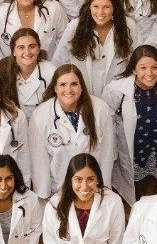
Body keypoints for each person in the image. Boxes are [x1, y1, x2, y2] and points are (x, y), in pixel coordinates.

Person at [101, 44, 157, 202]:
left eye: (155, 67)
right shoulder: (116, 89)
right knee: (132, 196)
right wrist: (111, 155)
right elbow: (108, 126)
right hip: (130, 154)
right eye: (143, 68)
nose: (149, 73)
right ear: (133, 70)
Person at [29, 64, 116, 199]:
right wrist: (44, 196)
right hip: (59, 190)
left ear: (81, 87)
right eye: (63, 84)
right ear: (55, 88)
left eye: (74, 84)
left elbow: (107, 154)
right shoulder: (40, 116)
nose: (68, 89)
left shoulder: (100, 109)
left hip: (92, 189)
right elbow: (39, 162)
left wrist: (104, 190)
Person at [54, 0, 138, 91]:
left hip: (117, 92)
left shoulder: (128, 26)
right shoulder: (75, 27)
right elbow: (59, 62)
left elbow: (137, 60)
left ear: (114, 8)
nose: (100, 12)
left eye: (106, 7)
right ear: (89, 8)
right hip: (83, 93)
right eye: (96, 6)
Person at [0, 27, 58, 119]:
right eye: (21, 47)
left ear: (38, 49)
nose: (27, 52)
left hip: (43, 125)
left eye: (32, 47)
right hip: (13, 125)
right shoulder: (2, 71)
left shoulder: (51, 72)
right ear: (13, 52)